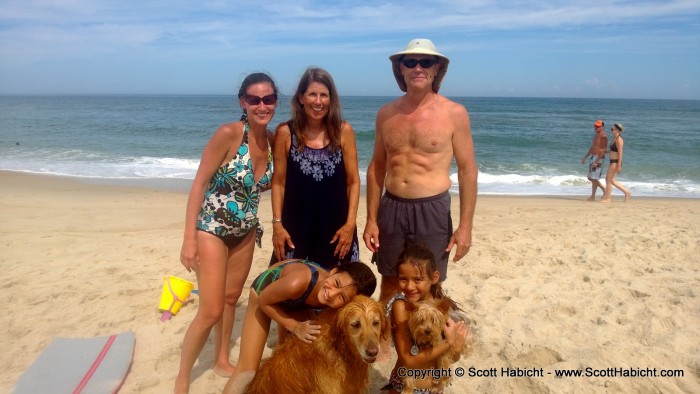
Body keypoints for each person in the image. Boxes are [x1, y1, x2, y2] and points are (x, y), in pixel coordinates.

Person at [175, 72, 278, 394]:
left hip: (246, 232)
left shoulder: (273, 141)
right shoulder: (230, 134)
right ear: (243, 102)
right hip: (212, 231)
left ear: (276, 101)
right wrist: (189, 239)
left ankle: (220, 359)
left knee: (232, 299)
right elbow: (199, 184)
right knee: (210, 311)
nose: (262, 105)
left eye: (269, 99)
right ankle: (181, 379)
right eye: (255, 99)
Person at [363, 38, 478, 304]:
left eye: (426, 62)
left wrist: (465, 227)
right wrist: (371, 219)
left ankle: (426, 341)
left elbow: (467, 171)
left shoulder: (454, 113)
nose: (418, 67)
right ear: (401, 69)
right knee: (390, 277)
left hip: (432, 209)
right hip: (391, 207)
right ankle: (387, 342)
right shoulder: (386, 114)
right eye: (410, 62)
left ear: (436, 69)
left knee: (428, 281)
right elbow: (377, 168)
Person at [223, 259, 377, 394]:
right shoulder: (299, 281)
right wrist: (295, 326)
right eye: (337, 283)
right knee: (247, 370)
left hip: (299, 301)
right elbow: (264, 301)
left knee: (296, 349)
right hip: (266, 295)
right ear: (334, 271)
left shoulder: (337, 300)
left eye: (342, 297)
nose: (331, 294)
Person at [270, 67, 361, 269]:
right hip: (295, 229)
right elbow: (278, 182)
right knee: (286, 292)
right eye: (312, 94)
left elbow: (353, 181)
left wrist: (350, 225)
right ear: (301, 97)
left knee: (336, 293)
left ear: (331, 99)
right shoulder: (286, 133)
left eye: (324, 95)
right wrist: (277, 224)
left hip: (337, 229)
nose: (318, 102)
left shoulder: (343, 131)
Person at [383, 242, 468, 393]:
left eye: (417, 280)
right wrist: (449, 343)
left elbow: (451, 358)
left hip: (434, 388)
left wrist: (457, 347)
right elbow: (408, 360)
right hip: (404, 387)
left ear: (434, 278)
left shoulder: (442, 308)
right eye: (403, 279)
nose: (409, 286)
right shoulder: (401, 306)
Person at [601, 123, 631, 203]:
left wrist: (619, 165)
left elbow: (620, 153)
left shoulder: (619, 140)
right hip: (612, 162)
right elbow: (613, 151)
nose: (611, 130)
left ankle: (607, 198)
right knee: (612, 180)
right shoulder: (614, 139)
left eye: (612, 129)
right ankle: (627, 192)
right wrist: (605, 152)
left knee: (608, 179)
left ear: (617, 130)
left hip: (615, 162)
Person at [581, 119, 609, 201]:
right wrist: (585, 157)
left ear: (602, 127)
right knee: (593, 178)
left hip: (599, 158)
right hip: (594, 157)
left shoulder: (604, 136)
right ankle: (593, 196)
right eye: (595, 126)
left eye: (598, 126)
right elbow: (593, 147)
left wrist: (597, 161)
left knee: (591, 178)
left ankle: (604, 189)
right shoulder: (596, 134)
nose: (595, 127)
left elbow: (603, 150)